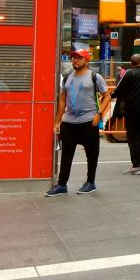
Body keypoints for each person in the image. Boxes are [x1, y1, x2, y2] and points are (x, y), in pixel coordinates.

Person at [48, 49, 111, 196]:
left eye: (78, 58)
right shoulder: (68, 77)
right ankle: (62, 185)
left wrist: (98, 114)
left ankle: (90, 183)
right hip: (69, 122)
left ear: (86, 61)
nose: (75, 60)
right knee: (66, 155)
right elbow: (63, 99)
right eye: (73, 58)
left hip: (89, 121)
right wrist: (58, 121)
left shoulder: (95, 77)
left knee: (92, 154)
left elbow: (107, 96)